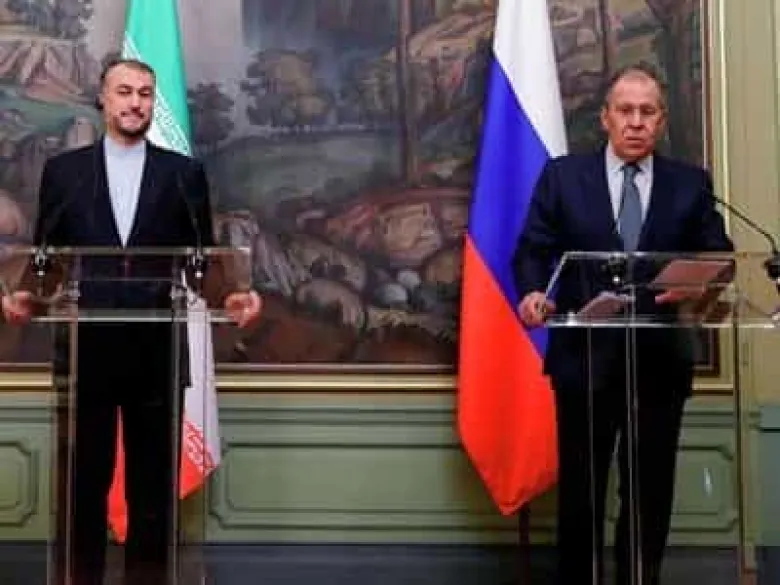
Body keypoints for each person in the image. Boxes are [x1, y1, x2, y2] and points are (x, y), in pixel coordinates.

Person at [1, 58, 262, 585]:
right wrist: (30, 293)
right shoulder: (65, 172)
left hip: (156, 348)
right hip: (86, 348)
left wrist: (233, 294)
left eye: (144, 93)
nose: (135, 102)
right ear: (103, 98)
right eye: (124, 92)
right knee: (83, 483)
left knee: (152, 489)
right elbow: (49, 258)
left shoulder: (183, 174)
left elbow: (199, 261)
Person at [512, 63, 733, 585]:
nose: (636, 122)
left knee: (649, 490)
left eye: (647, 112)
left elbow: (719, 254)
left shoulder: (690, 184)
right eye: (626, 110)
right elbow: (533, 249)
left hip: (660, 362)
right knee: (581, 491)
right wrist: (533, 292)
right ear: (605, 118)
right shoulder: (564, 177)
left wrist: (699, 283)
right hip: (585, 362)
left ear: (661, 121)